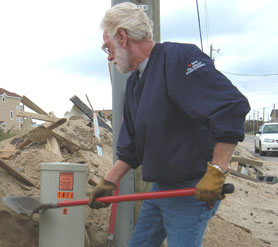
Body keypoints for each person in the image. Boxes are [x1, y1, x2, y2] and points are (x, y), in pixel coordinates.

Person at [89, 2, 250, 247]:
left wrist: (217, 170)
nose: (109, 56)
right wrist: (108, 182)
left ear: (122, 36)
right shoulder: (135, 84)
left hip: (191, 189)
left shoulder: (178, 59)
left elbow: (229, 107)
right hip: (161, 189)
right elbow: (132, 147)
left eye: (107, 47)